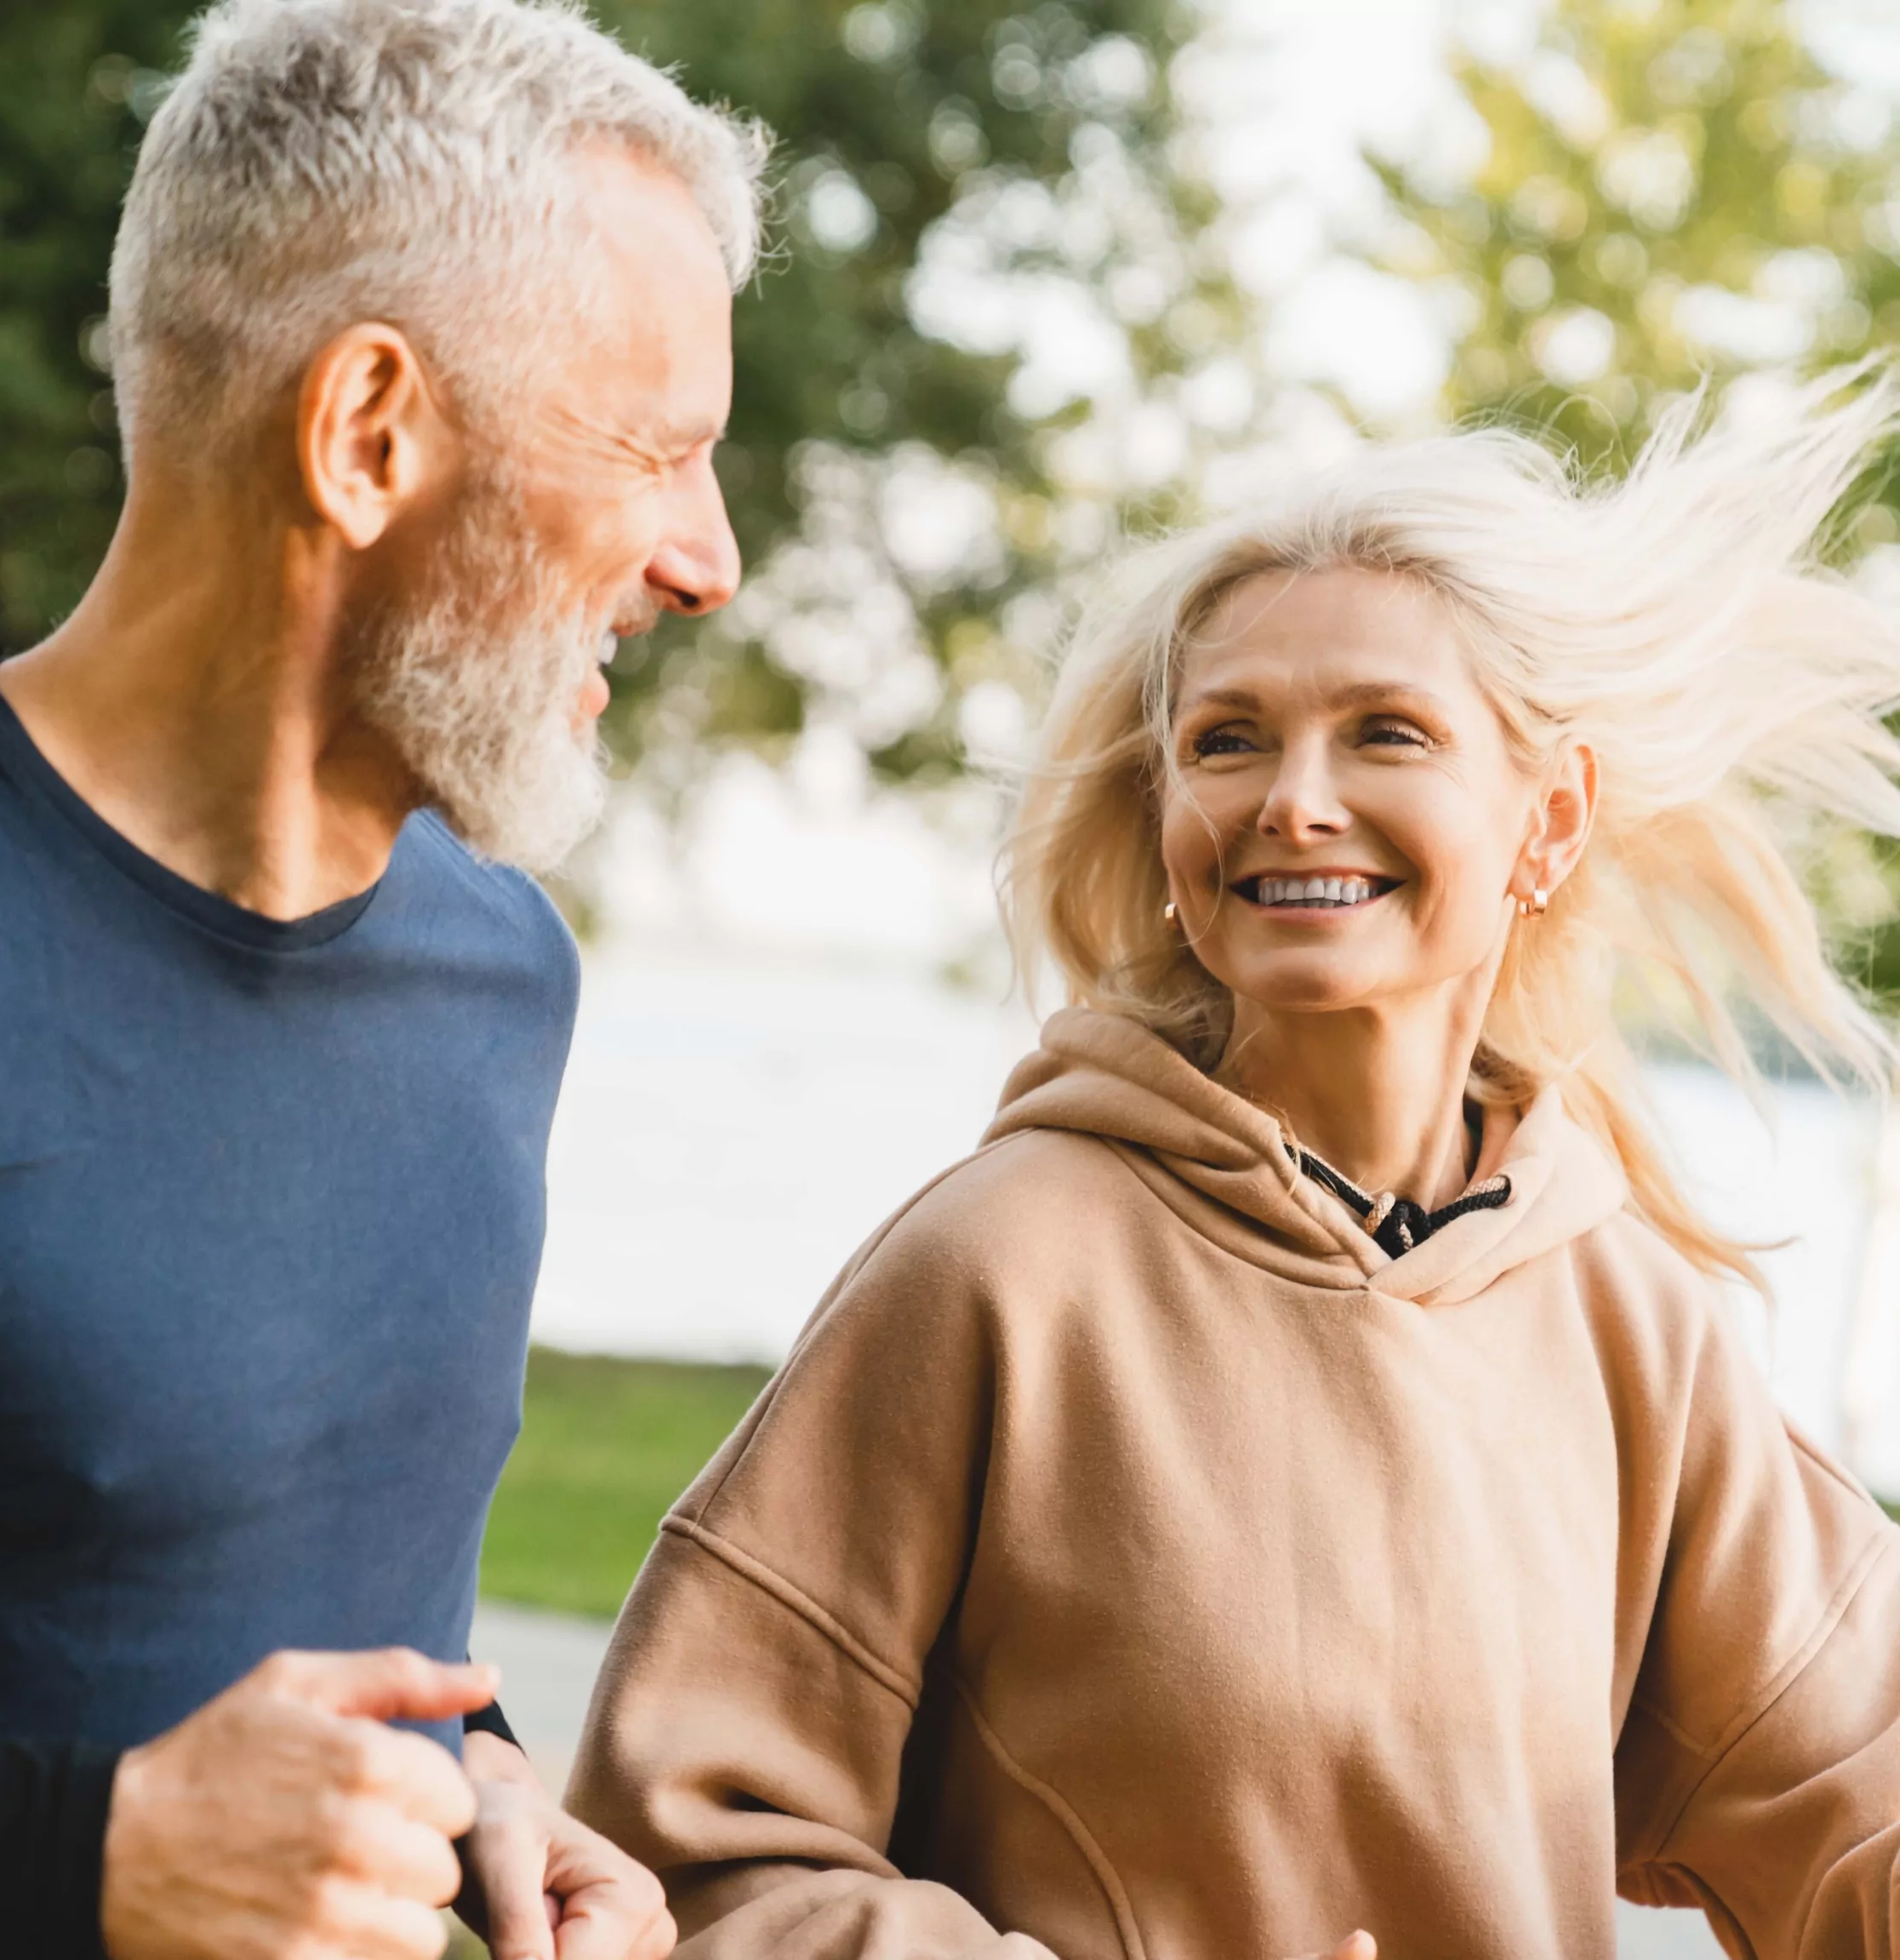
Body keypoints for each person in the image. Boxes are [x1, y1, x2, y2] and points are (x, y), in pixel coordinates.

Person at [568, 375, 1900, 1957]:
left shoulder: (1629, 1320)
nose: (1294, 799)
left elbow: (1853, 1812)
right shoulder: (997, 1268)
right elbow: (674, 1859)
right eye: (1228, 740)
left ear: (1549, 821)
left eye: (1386, 731)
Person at [0, 1, 765, 1955]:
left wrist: (484, 1784)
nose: (707, 557)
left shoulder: (497, 970)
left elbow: (312, 1600)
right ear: (367, 432)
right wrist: (93, 1851)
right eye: (656, 450)